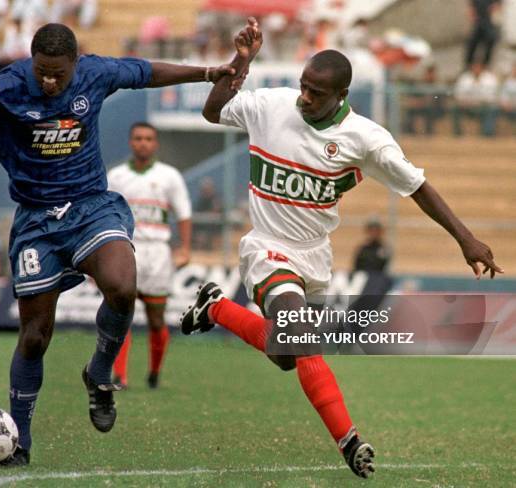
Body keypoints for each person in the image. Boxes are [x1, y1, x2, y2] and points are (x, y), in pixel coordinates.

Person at [180, 18, 502, 479]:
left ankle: (215, 308)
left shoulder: (365, 139)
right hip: (268, 247)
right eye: (303, 86)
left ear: (341, 95)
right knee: (301, 340)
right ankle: (349, 439)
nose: (305, 97)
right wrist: (240, 63)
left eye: (316, 93)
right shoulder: (271, 105)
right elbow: (213, 112)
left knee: (285, 353)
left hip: (314, 255)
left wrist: (465, 237)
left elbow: (418, 186)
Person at [0, 22, 239, 466]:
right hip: (37, 219)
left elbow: (147, 71)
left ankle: (99, 373)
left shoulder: (97, 73)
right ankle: (20, 444)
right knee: (35, 337)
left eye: (58, 73)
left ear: (77, 63)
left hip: (91, 206)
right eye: (42, 71)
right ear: (31, 62)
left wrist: (210, 73)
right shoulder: (11, 86)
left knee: (121, 284)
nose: (50, 81)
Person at [108, 122, 192, 389]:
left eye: (148, 139)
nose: (143, 143)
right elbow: (106, 214)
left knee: (156, 319)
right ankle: (120, 375)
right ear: (131, 142)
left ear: (155, 144)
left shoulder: (170, 176)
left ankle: (154, 372)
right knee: (121, 316)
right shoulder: (116, 176)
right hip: (125, 252)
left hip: (157, 254)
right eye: (138, 138)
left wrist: (185, 248)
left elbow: (184, 213)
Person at [452, 62, 499, 137]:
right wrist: (465, 102)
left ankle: (487, 134)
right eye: (475, 67)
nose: (476, 69)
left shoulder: (490, 78)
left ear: (482, 68)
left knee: (493, 109)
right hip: (466, 106)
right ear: (471, 68)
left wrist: (480, 101)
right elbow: (458, 94)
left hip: (483, 107)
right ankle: (457, 133)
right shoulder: (464, 78)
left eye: (478, 67)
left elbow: (492, 97)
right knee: (454, 108)